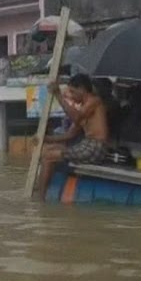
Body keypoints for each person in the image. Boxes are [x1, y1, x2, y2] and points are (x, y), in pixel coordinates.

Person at [35, 73, 109, 201]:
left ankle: (40, 199)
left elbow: (76, 117)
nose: (72, 97)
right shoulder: (84, 108)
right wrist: (45, 139)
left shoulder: (93, 101)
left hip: (95, 147)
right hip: (87, 145)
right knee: (47, 150)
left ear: (82, 89)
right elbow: (70, 134)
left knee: (48, 157)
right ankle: (39, 188)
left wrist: (58, 95)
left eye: (73, 92)